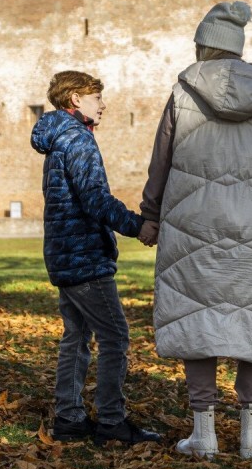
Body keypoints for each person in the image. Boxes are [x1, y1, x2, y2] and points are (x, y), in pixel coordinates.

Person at [140, 1, 252, 460]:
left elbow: (162, 160)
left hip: (194, 225)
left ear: (204, 46)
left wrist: (151, 214)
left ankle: (204, 434)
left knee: (199, 319)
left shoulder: (182, 93)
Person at [30, 70, 162, 447]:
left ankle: (70, 418)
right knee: (115, 337)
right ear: (75, 99)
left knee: (76, 337)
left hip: (62, 255)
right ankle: (111, 421)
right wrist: (138, 227)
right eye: (96, 97)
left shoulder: (59, 140)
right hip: (84, 256)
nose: (102, 104)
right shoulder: (78, 141)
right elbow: (95, 200)